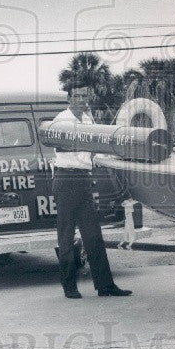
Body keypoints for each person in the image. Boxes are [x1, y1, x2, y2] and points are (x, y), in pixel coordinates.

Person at [50, 85, 132, 299]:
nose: (80, 100)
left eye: (84, 96)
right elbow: (64, 147)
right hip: (66, 178)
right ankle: (69, 286)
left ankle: (105, 285)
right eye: (76, 96)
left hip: (83, 179)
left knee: (93, 234)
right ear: (69, 98)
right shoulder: (61, 120)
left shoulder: (89, 120)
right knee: (66, 235)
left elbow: (94, 147)